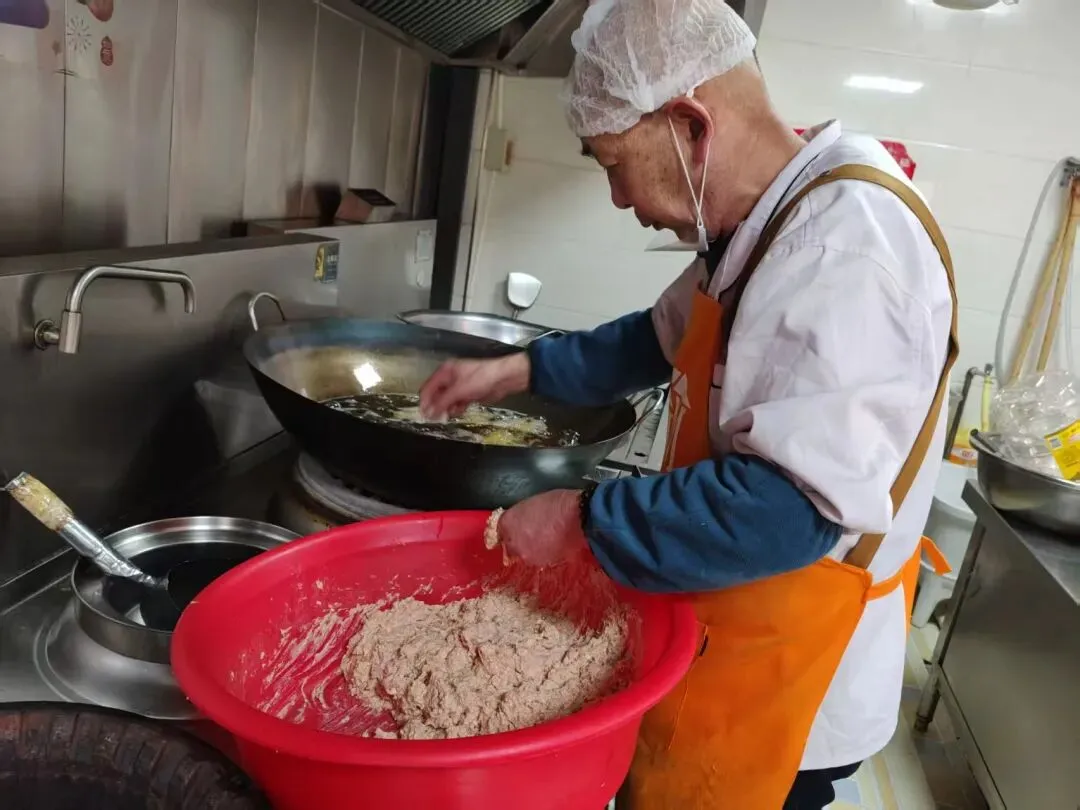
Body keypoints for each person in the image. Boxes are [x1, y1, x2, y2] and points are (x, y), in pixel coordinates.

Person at [419, 1, 957, 807]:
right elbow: (656, 338)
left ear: (690, 125)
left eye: (613, 164)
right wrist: (516, 370)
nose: (617, 198)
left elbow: (786, 510)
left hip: (790, 677)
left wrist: (581, 518)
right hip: (729, 622)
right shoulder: (770, 216)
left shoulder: (844, 249)